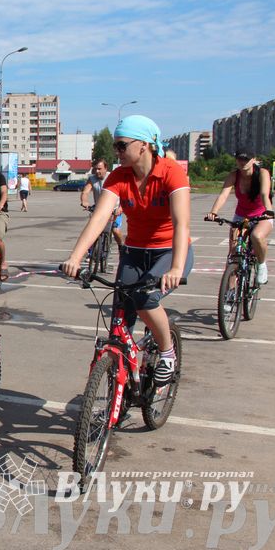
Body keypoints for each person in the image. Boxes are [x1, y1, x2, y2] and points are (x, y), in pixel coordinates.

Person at [61, 115, 193, 388]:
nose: (116, 152)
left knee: (145, 298)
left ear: (144, 145)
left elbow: (182, 223)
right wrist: (76, 257)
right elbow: (99, 219)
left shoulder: (171, 172)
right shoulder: (119, 176)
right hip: (134, 251)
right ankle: (119, 388)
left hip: (168, 251)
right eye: (115, 147)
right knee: (120, 320)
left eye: (121, 145)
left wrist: (177, 267)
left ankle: (167, 351)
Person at [205, 147, 274, 284]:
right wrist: (214, 212)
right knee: (233, 255)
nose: (243, 162)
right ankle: (229, 296)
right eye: (239, 159)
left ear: (253, 160)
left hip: (262, 214)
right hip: (241, 215)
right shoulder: (234, 175)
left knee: (257, 236)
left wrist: (269, 211)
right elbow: (224, 194)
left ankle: (262, 265)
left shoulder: (262, 173)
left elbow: (264, 194)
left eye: (246, 159)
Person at [80, 158, 125, 248]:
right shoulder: (92, 179)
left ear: (106, 168)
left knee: (115, 230)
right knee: (92, 230)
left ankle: (122, 248)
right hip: (99, 210)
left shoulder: (113, 177)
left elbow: (124, 193)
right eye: (95, 169)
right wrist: (84, 201)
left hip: (114, 210)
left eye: (99, 169)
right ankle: (91, 252)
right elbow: (85, 192)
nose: (97, 171)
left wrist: (121, 208)